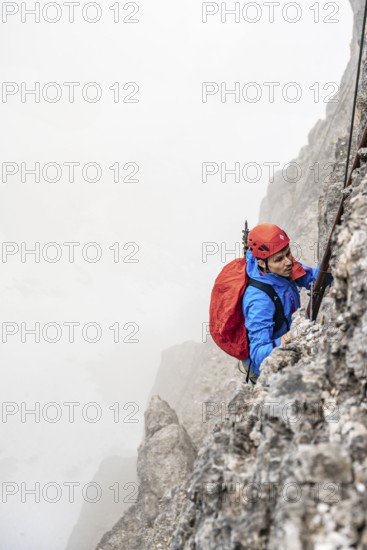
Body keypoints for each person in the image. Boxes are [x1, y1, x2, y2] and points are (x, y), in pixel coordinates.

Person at [242, 223, 333, 384]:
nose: (289, 262)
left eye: (288, 253)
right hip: (267, 368)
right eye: (279, 259)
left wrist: (332, 263)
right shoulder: (258, 300)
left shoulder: (282, 267)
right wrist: (287, 338)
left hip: (290, 341)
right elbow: (257, 354)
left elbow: (312, 279)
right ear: (262, 263)